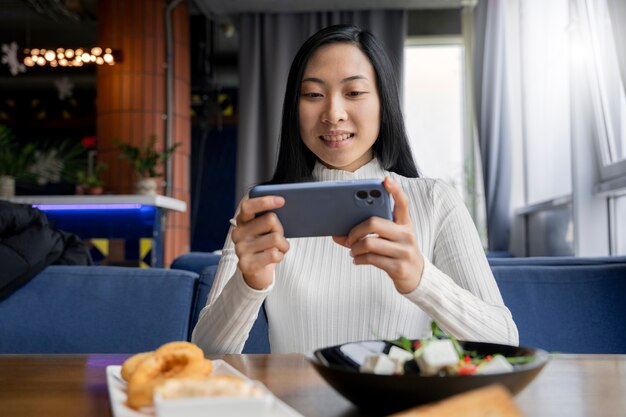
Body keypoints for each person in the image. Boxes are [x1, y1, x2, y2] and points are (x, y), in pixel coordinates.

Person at [192, 24, 518, 354]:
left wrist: (421, 278)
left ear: (383, 103)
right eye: (313, 95)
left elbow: (505, 341)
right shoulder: (264, 210)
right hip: (295, 404)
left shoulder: (434, 201)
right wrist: (249, 283)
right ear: (295, 108)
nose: (333, 114)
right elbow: (204, 354)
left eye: (354, 93)